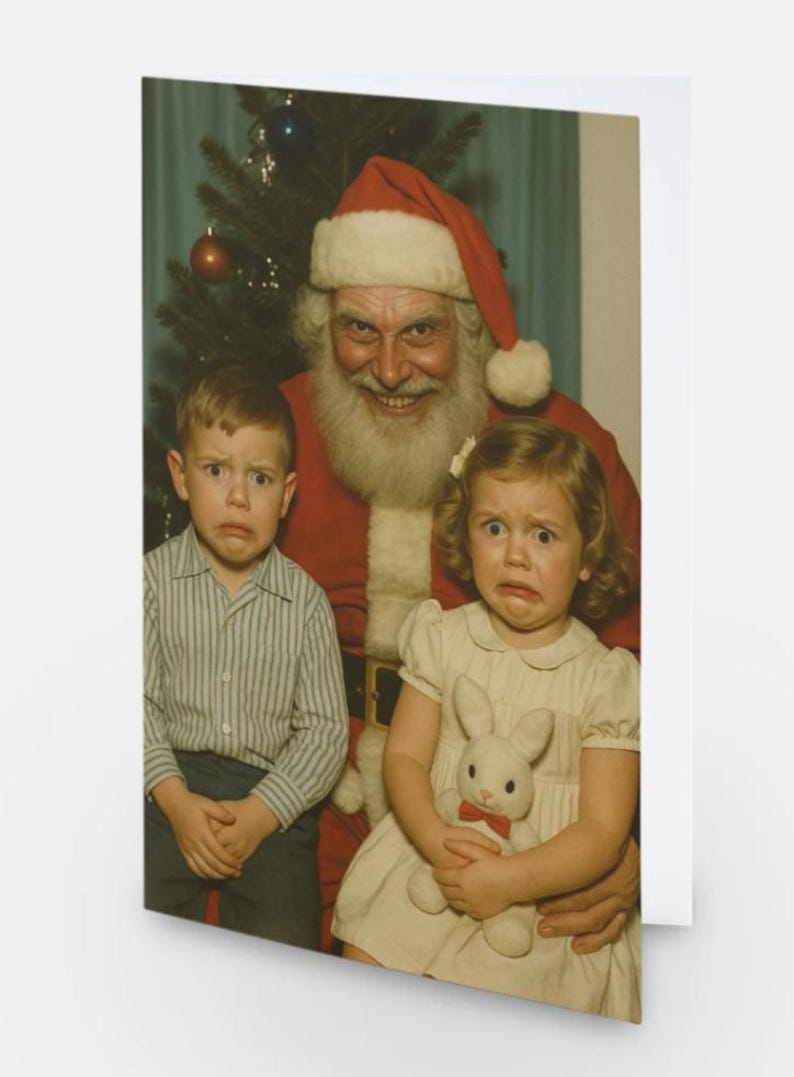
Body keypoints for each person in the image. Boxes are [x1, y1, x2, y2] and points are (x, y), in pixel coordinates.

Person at [278, 156, 641, 952]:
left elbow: (668, 666)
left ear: (467, 327)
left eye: (421, 332)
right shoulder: (274, 435)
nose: (390, 368)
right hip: (305, 796)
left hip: (522, 816)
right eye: (358, 330)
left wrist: (647, 849)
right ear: (322, 326)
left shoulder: (565, 447)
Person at [333, 417, 641, 1021]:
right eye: (494, 528)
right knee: (367, 966)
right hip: (433, 856)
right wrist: (435, 841)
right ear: (466, 535)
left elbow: (603, 829)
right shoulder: (443, 638)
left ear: (586, 556)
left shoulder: (605, 680)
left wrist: (509, 880)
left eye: (545, 535)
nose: (517, 555)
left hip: (538, 889)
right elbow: (405, 758)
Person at [144, 358, 348, 948]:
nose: (237, 496)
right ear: (181, 477)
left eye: (259, 479)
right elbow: (135, 704)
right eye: (216, 470)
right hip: (167, 783)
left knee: (286, 933)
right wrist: (177, 802)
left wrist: (262, 814)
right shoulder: (151, 583)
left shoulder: (305, 602)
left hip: (272, 793)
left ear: (285, 494)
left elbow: (324, 732)